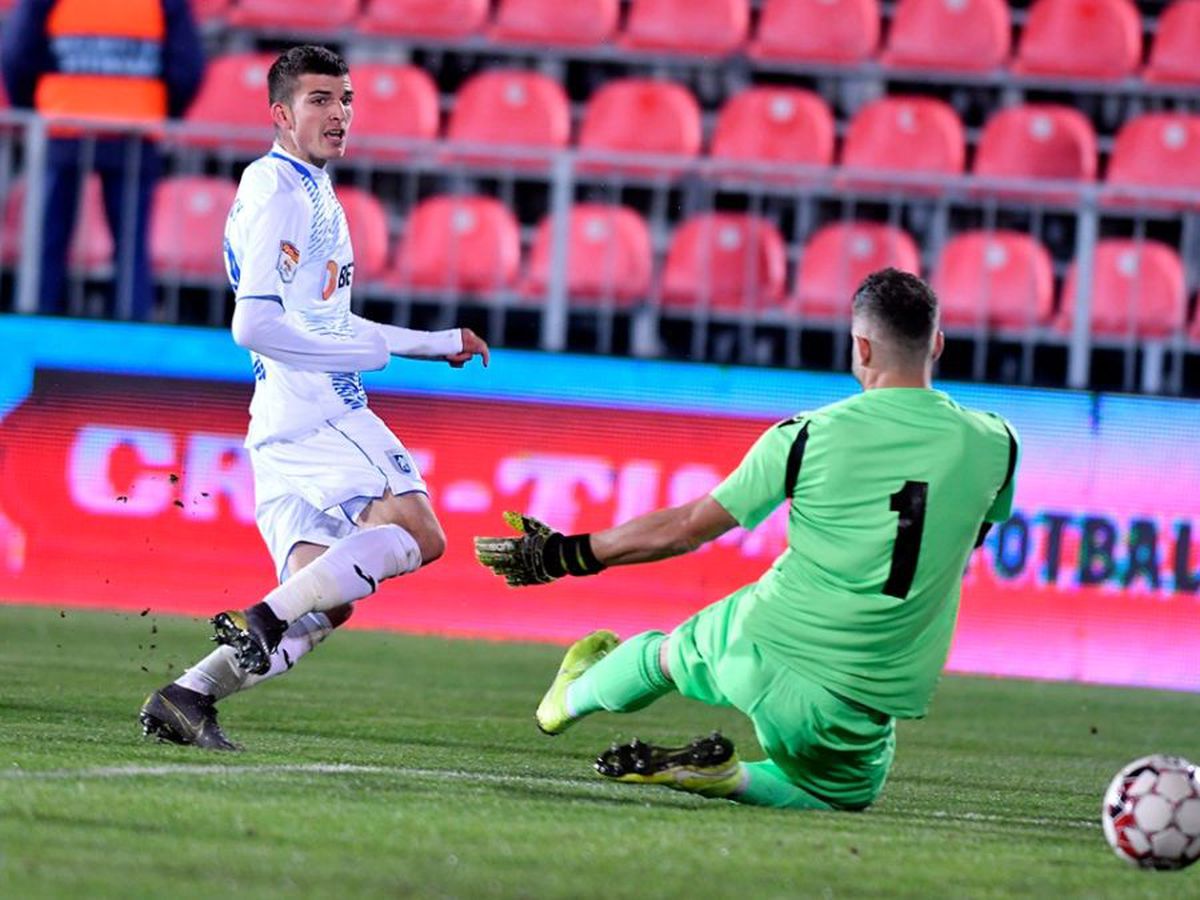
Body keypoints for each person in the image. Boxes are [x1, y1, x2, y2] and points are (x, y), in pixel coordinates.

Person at [476, 268, 1019, 811]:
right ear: (938, 344)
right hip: (863, 698)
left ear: (860, 346)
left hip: (762, 645)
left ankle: (565, 703)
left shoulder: (807, 436)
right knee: (840, 797)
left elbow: (687, 529)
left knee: (668, 655)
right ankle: (730, 779)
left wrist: (568, 554)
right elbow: (966, 541)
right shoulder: (999, 444)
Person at [138, 45, 489, 750]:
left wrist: (431, 341)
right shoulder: (281, 192)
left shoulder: (307, 190)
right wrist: (361, 355)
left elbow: (325, 319)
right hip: (321, 404)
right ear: (280, 113)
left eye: (347, 100)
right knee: (422, 536)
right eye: (320, 100)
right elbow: (254, 323)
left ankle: (186, 696)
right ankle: (262, 621)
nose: (339, 114)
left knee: (326, 597)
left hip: (276, 415)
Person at [0, 0, 205, 320]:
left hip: (62, 126)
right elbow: (186, 67)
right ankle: (131, 340)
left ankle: (40, 328)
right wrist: (164, 110)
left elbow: (17, 54)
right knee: (131, 249)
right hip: (133, 131)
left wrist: (32, 108)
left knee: (47, 244)